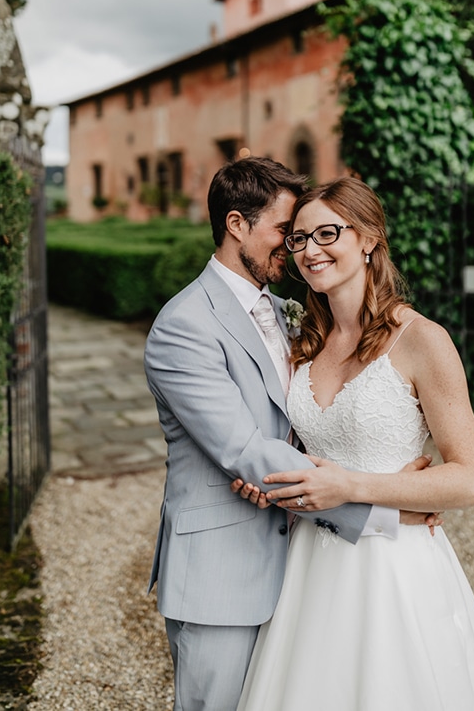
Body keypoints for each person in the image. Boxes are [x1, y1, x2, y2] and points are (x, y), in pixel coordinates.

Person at [144, 158, 436, 711]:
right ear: (237, 225)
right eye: (286, 232)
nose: (296, 249)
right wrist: (383, 507)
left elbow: (306, 423)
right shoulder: (183, 326)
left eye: (307, 234)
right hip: (222, 574)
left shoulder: (293, 314)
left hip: (302, 564)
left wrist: (387, 477)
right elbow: (245, 451)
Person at [236, 177, 474, 711]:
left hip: (395, 568)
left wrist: (354, 488)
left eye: (327, 233)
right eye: (298, 239)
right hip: (309, 564)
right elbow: (288, 449)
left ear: (368, 239)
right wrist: (262, 480)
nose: (310, 250)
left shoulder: (422, 341)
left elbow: (471, 477)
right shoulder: (302, 344)